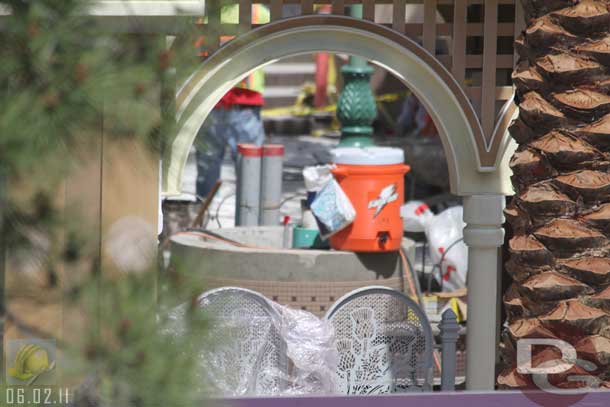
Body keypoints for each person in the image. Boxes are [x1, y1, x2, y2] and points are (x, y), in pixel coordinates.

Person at [194, 4, 269, 198]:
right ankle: (252, 222)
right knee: (252, 171)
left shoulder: (201, 11)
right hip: (241, 101)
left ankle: (202, 220)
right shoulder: (257, 11)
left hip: (213, 100)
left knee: (207, 171)